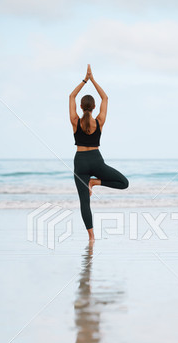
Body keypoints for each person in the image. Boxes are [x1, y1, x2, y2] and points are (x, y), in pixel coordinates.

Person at [69, 64, 129, 241]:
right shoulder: (100, 121)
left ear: (81, 106)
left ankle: (91, 237)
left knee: (84, 202)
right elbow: (106, 97)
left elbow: (71, 96)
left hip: (80, 162)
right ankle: (95, 183)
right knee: (124, 183)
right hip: (96, 160)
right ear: (94, 107)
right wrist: (93, 80)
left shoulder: (74, 121)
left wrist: (84, 80)